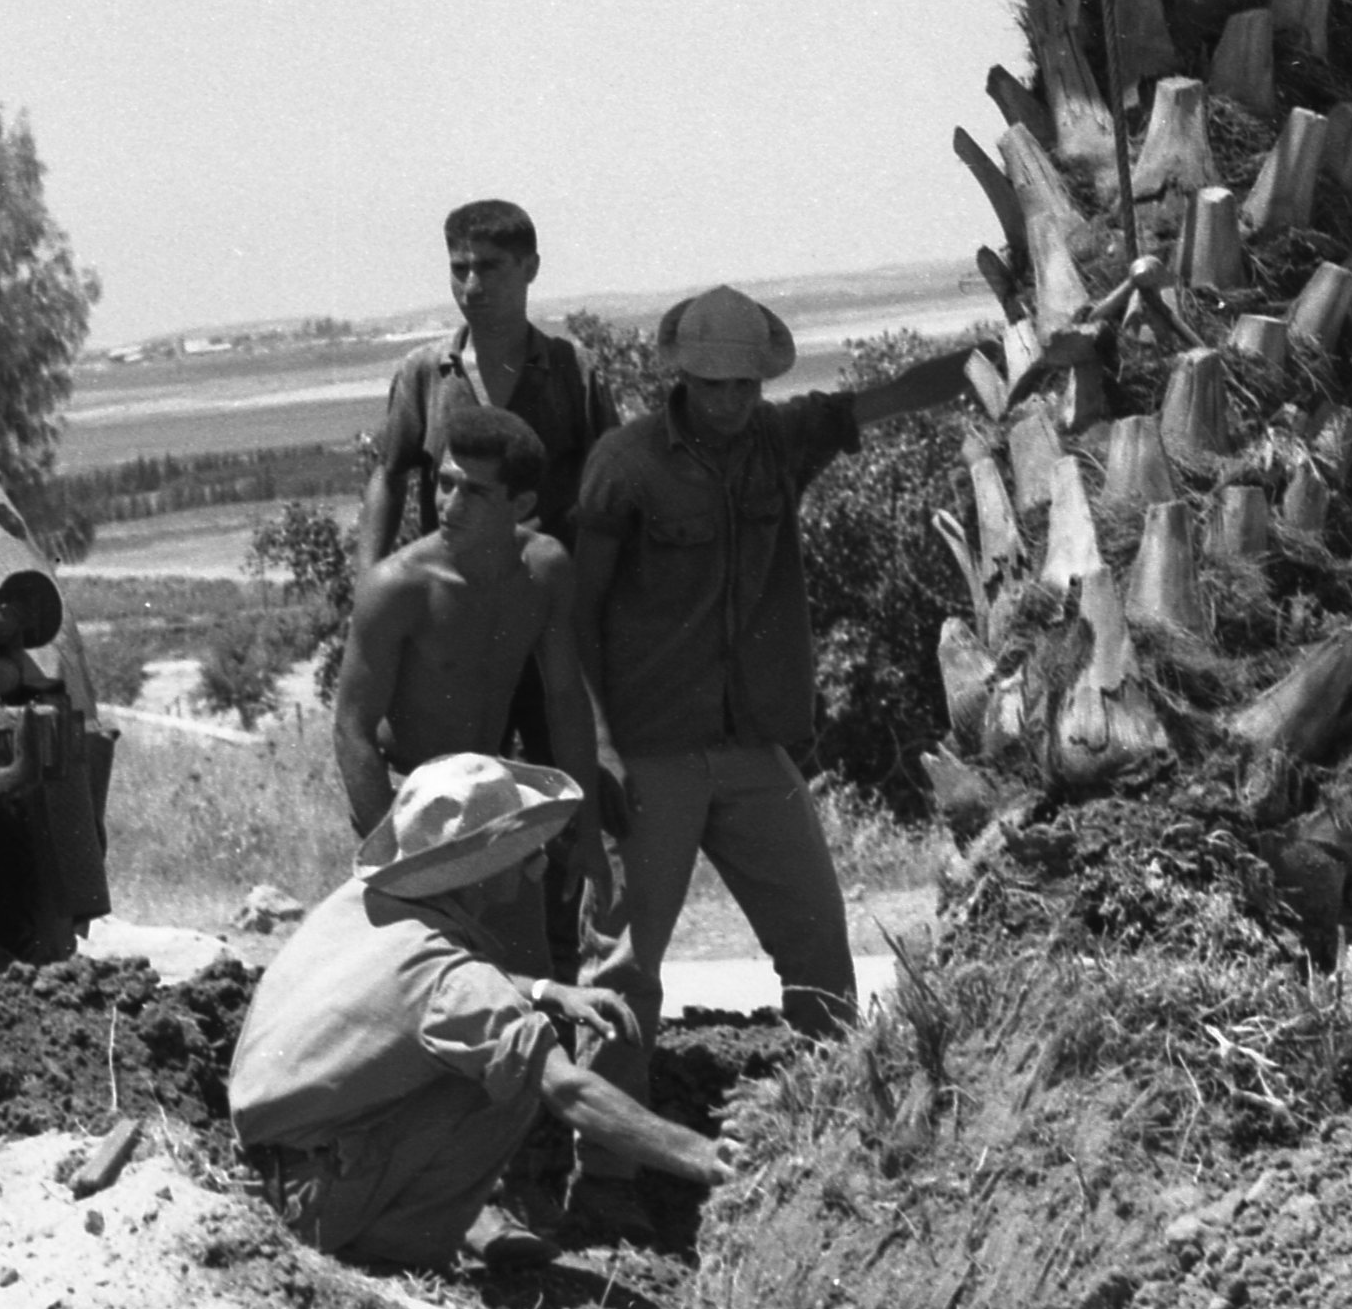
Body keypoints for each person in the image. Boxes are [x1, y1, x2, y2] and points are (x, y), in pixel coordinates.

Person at [564, 283, 1002, 1042]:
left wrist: (1004, 358)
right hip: (648, 749)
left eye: (743, 385)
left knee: (818, 943)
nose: (729, 402)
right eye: (712, 386)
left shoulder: (782, 438)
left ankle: (830, 1121)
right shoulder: (625, 463)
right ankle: (606, 1154)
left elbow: (892, 394)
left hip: (750, 749)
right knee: (623, 967)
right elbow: (574, 617)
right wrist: (598, 745)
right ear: (683, 379)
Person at [225, 753, 728, 1274]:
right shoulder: (455, 982)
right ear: (485, 870)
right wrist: (703, 1156)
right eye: (527, 855)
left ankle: (424, 1218)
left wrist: (546, 991)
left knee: (477, 1049)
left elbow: (422, 992)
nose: (539, 868)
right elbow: (570, 1091)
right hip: (311, 1203)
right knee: (507, 1082)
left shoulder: (361, 906)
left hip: (262, 1174)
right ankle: (394, 1252)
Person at [331, 399, 602, 842]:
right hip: (409, 798)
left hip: (488, 788)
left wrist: (586, 828)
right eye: (445, 483)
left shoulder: (545, 570)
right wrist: (393, 852)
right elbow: (352, 728)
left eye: (475, 491)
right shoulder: (399, 588)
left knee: (526, 910)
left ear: (522, 503)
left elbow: (567, 700)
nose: (449, 506)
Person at [358, 197, 610, 557]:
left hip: (550, 591)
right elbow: (389, 476)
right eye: (460, 269)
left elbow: (611, 489)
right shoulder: (425, 372)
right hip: (452, 593)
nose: (472, 286)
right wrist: (368, 584)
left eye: (490, 267)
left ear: (530, 268)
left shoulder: (576, 371)